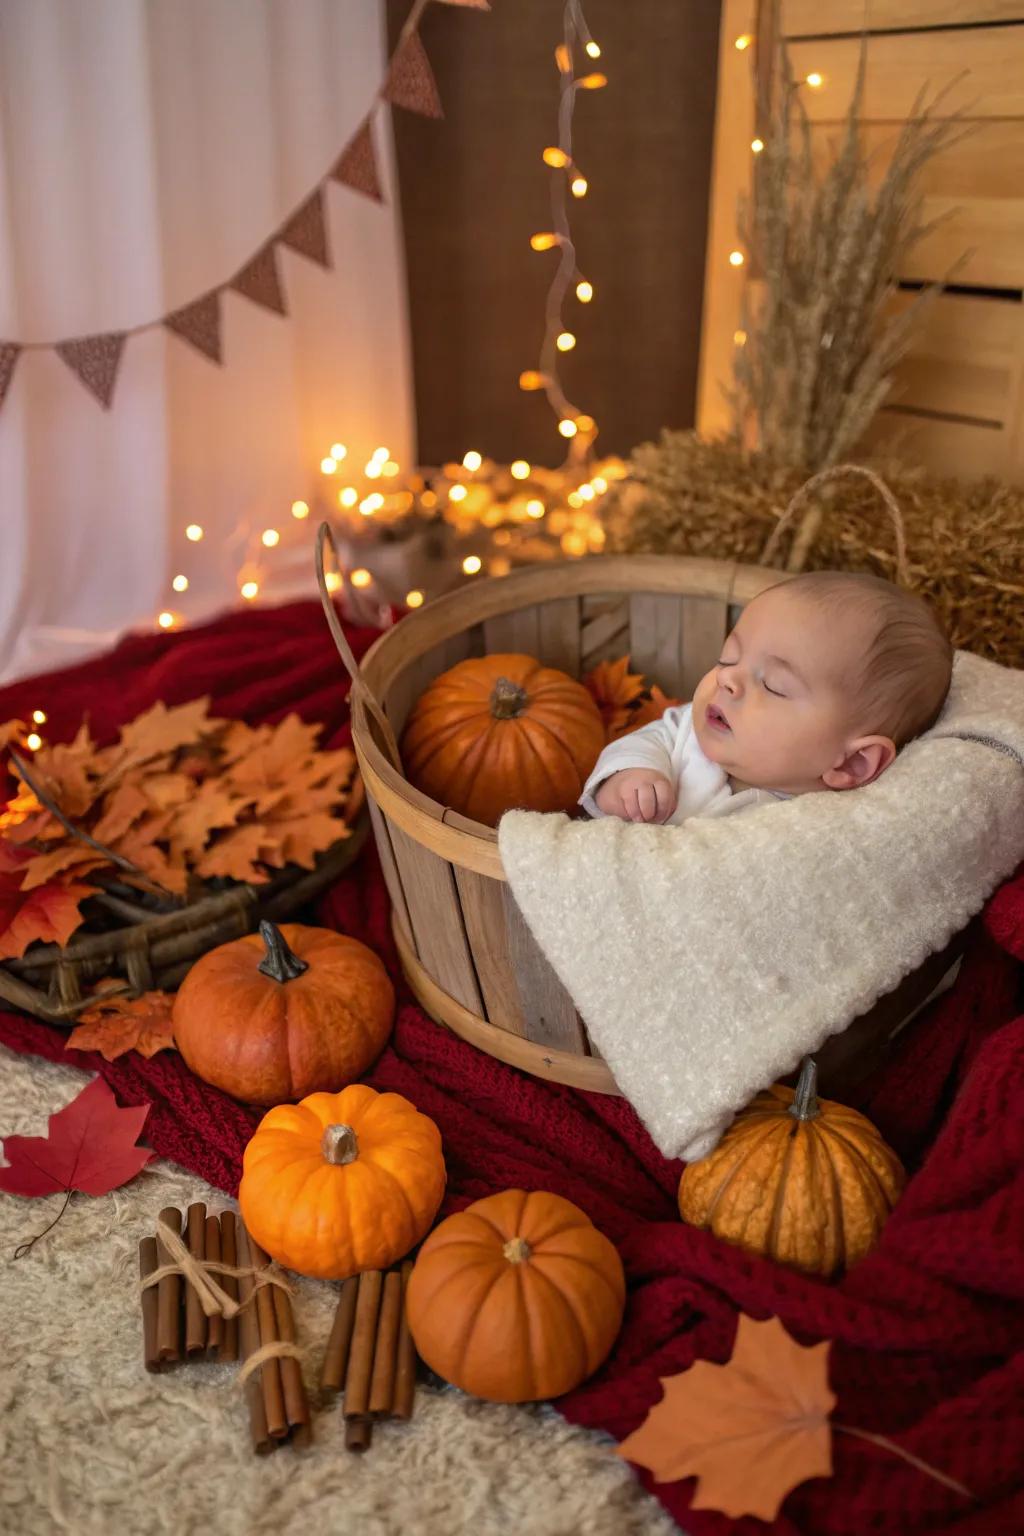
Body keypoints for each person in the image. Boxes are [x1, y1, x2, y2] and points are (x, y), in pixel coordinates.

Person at [580, 571, 953, 826]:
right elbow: (645, 742)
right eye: (729, 657)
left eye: (773, 685)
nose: (727, 678)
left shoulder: (818, 827)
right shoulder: (687, 731)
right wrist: (629, 777)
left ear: (854, 763)